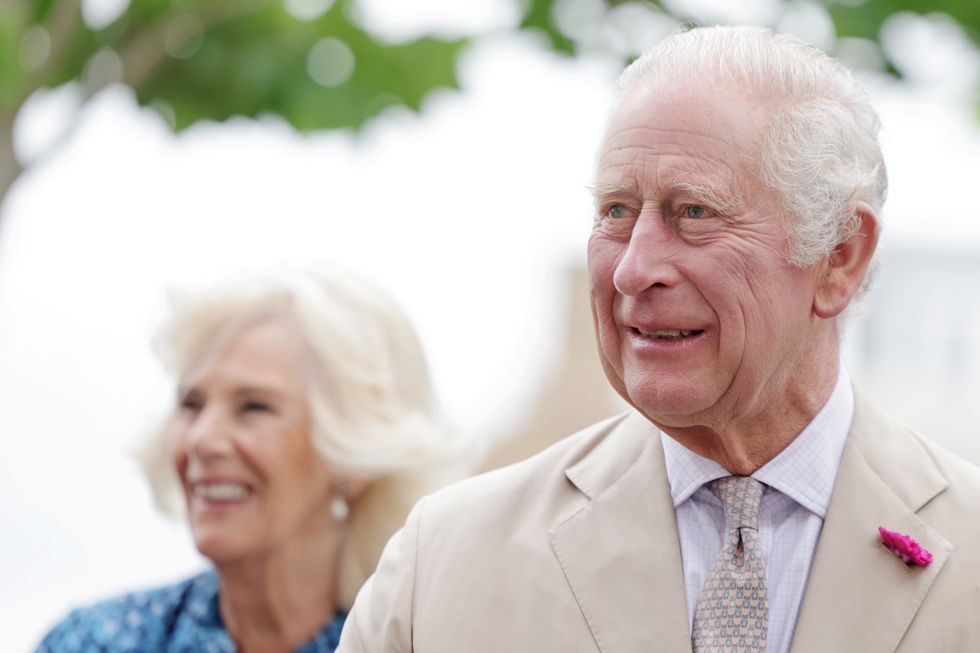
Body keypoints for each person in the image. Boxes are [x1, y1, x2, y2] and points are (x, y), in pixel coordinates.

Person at [338, 26, 980, 652]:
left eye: (694, 213)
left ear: (839, 256)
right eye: (616, 211)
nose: (632, 269)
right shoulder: (444, 563)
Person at [37, 267, 465, 653]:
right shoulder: (93, 642)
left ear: (354, 458)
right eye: (191, 404)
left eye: (254, 407)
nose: (202, 439)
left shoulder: (428, 643)